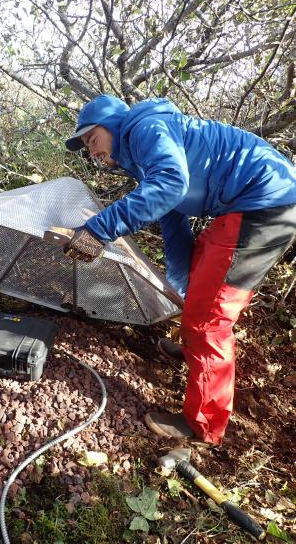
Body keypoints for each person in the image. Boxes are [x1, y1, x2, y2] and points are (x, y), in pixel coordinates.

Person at [63, 94, 296, 446]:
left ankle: (202, 424)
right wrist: (182, 285)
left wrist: (98, 229)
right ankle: (192, 347)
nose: (92, 152)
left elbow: (171, 186)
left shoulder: (145, 128)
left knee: (210, 319)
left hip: (263, 206)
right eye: (86, 147)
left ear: (113, 125)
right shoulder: (144, 159)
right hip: (253, 205)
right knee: (201, 285)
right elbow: (173, 224)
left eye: (92, 139)